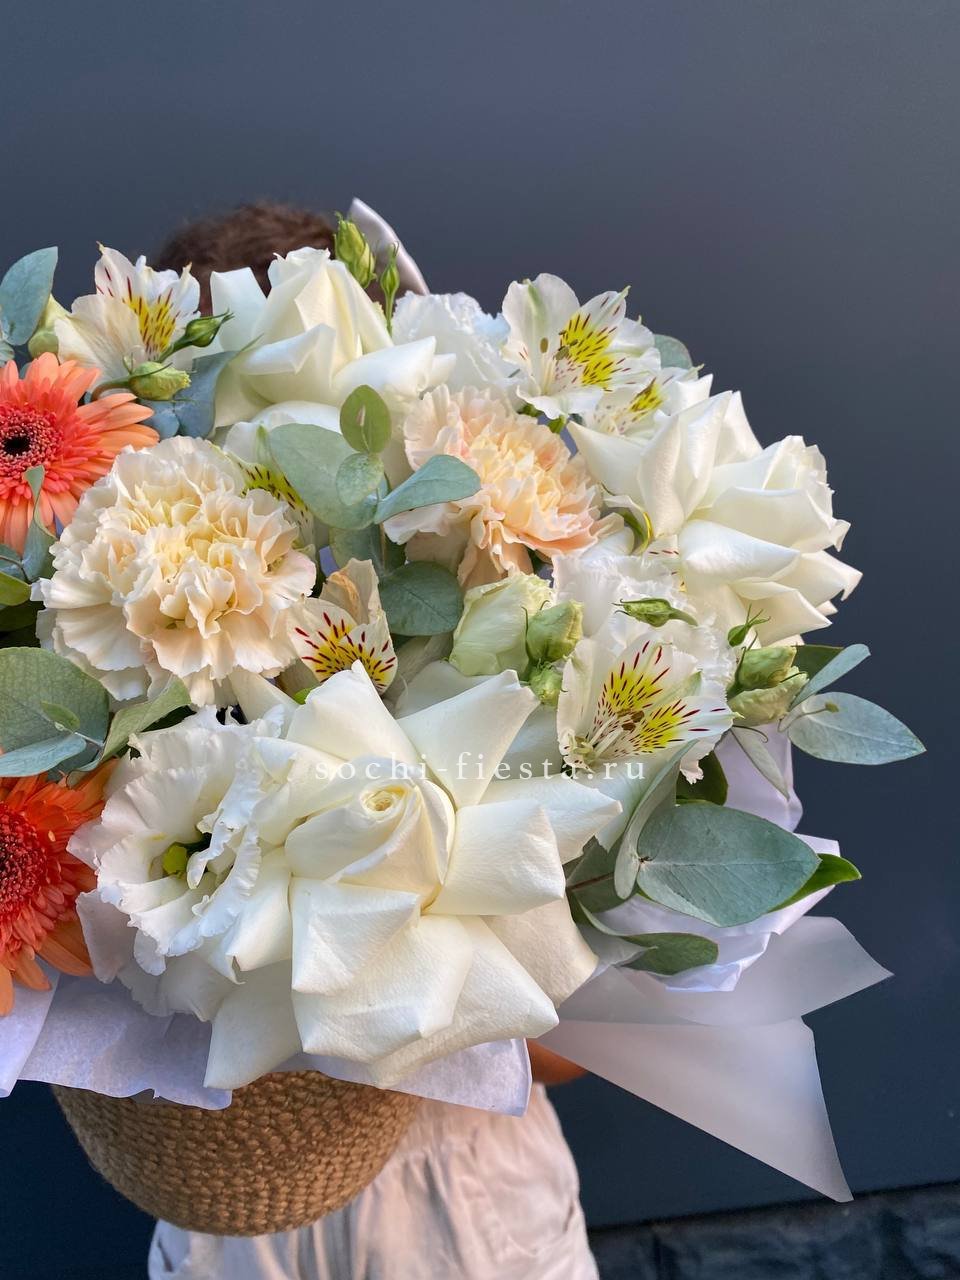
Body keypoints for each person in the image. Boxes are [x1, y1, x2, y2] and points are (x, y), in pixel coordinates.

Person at [146, 201, 599, 1280]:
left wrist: (402, 998)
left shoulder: (505, 634)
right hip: (232, 1200)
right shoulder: (145, 666)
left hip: (467, 1195)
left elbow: (574, 1044)